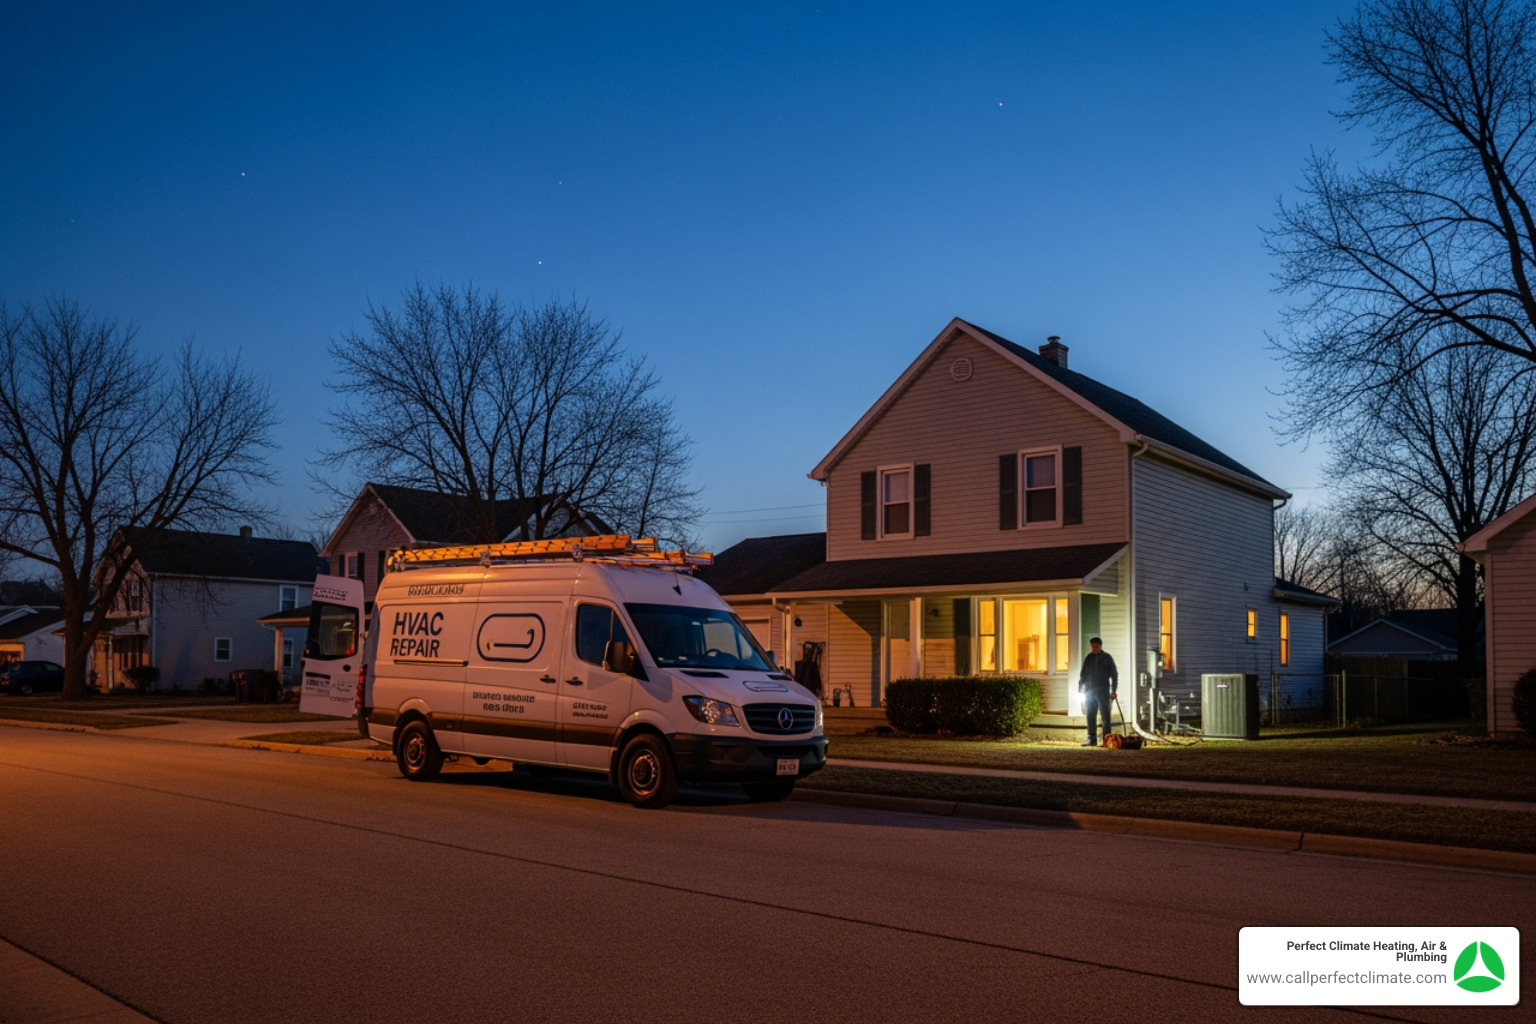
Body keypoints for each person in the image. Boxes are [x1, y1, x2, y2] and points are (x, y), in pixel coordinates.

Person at [1078, 636, 1118, 746]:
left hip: (1103, 691)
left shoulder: (1107, 658)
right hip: (1089, 691)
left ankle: (1107, 740)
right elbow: (1083, 674)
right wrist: (1080, 687)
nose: (1094, 648)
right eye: (1092, 646)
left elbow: (1114, 674)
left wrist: (1113, 690)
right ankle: (1091, 740)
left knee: (1106, 716)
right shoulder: (1089, 658)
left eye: (1096, 646)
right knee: (1090, 715)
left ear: (1100, 646)